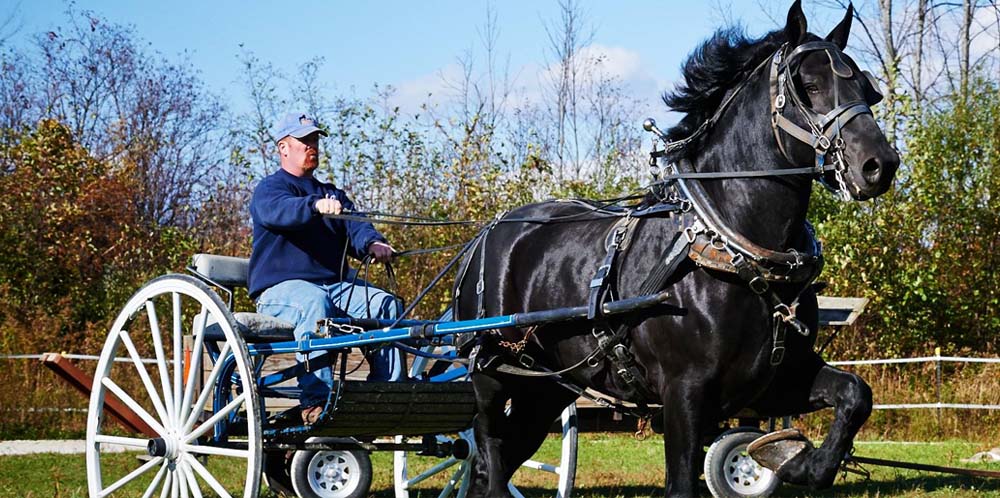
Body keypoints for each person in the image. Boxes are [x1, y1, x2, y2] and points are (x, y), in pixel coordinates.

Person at [248, 112, 402, 425]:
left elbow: (357, 228)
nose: (312, 146)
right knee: (314, 304)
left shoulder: (333, 194)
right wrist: (313, 207)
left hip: (333, 288)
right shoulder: (270, 189)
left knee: (387, 304)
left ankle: (389, 394)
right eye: (304, 140)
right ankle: (316, 400)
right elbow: (279, 213)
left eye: (315, 140)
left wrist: (373, 244)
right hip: (281, 291)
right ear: (283, 147)